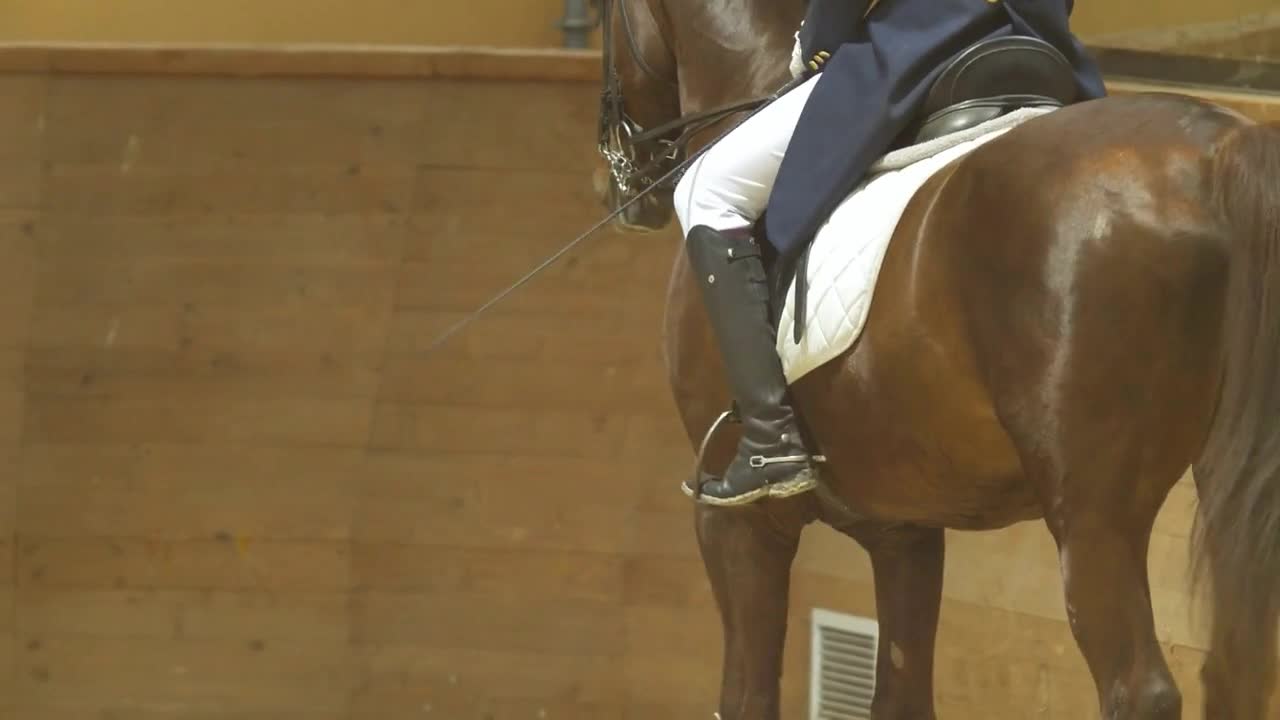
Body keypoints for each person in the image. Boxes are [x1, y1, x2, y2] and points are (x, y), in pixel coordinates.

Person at [674, 0, 1107, 506]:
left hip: (919, 48)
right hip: (1040, 46)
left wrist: (816, 48)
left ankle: (770, 439)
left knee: (706, 191)